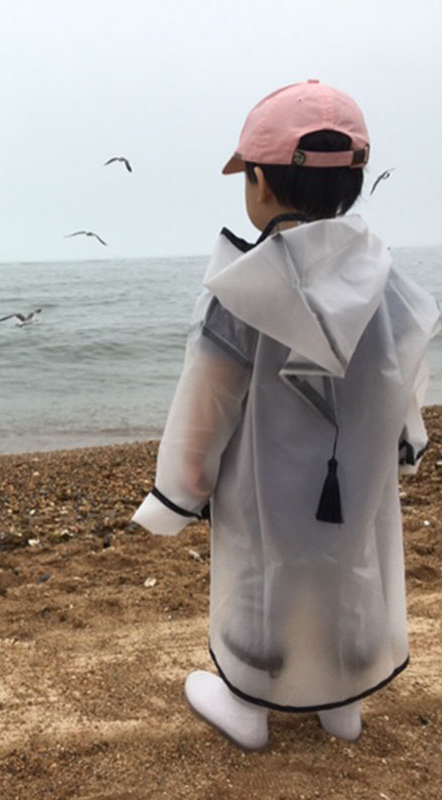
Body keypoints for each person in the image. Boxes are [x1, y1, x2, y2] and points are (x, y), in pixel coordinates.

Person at [132, 79, 440, 751]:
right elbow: (402, 374)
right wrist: (406, 443)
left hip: (265, 482)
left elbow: (205, 404)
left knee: (261, 567)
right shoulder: (385, 280)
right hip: (354, 478)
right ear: (353, 186)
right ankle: (342, 704)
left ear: (262, 187)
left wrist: (179, 493)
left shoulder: (241, 290)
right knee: (348, 562)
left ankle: (248, 703)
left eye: (248, 176)